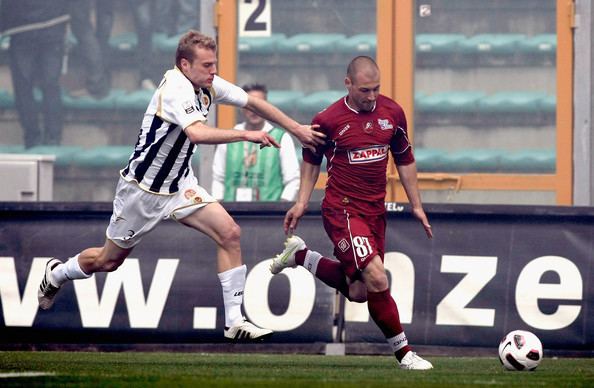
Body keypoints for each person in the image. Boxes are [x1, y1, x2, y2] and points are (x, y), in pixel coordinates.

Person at [37, 30, 326, 341]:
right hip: (142, 192)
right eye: (206, 66)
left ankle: (234, 323)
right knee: (108, 261)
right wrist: (246, 134)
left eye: (214, 64)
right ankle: (56, 273)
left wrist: (296, 129)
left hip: (179, 186)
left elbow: (252, 103)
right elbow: (198, 134)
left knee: (230, 233)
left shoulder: (206, 84)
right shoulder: (175, 89)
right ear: (185, 65)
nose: (213, 71)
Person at [270, 56, 434, 368]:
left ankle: (301, 257)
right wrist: (302, 202)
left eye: (376, 89)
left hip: (375, 212)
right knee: (377, 277)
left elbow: (405, 159)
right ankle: (404, 354)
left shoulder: (393, 113)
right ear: (348, 84)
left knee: (359, 292)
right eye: (365, 90)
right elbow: (311, 160)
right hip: (341, 209)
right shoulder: (329, 119)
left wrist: (416, 205)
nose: (372, 97)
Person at [211, 83, 300, 202]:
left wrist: (280, 209)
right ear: (241, 107)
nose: (254, 111)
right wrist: (219, 205)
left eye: (259, 105)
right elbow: (218, 178)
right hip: (231, 213)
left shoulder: (282, 138)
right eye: (250, 106)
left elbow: (292, 179)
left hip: (269, 215)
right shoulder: (229, 137)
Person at [0, 0, 70, 148]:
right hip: (54, 24)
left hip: (21, 29)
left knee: (23, 88)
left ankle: (32, 138)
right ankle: (53, 137)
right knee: (51, 86)